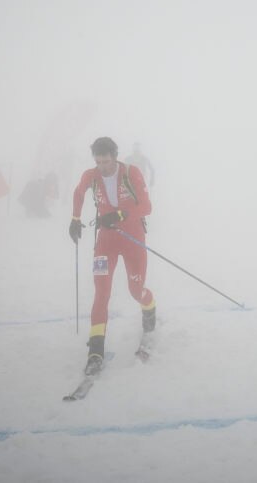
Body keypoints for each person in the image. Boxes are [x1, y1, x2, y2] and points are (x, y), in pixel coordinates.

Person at [69, 137, 155, 375]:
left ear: (115, 157)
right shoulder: (91, 175)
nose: (102, 167)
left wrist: (118, 215)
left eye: (106, 162)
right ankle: (95, 351)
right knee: (101, 292)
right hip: (105, 241)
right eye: (98, 162)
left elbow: (146, 207)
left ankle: (150, 310)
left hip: (133, 239)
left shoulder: (131, 173)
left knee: (136, 290)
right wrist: (75, 219)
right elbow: (78, 193)